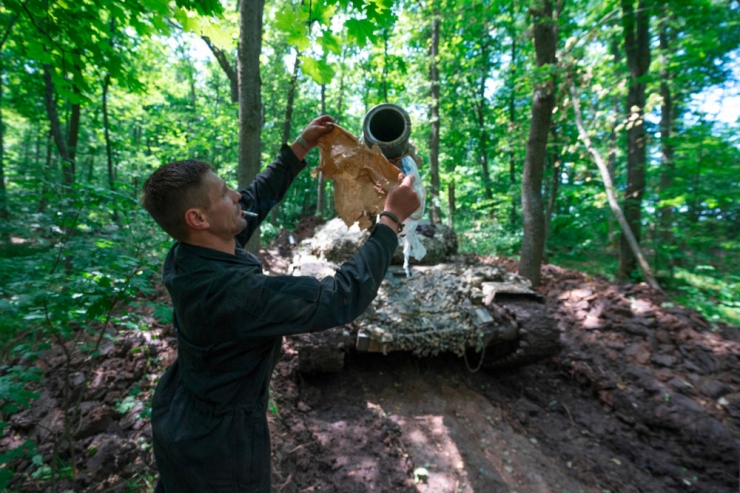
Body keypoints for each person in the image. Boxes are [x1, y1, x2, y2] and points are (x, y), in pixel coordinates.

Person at [141, 115, 420, 493]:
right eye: (224, 194)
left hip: (184, 416)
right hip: (221, 450)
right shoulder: (233, 294)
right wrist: (389, 221)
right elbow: (340, 297)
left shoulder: (192, 252)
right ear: (198, 218)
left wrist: (300, 147)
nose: (236, 196)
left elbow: (254, 197)